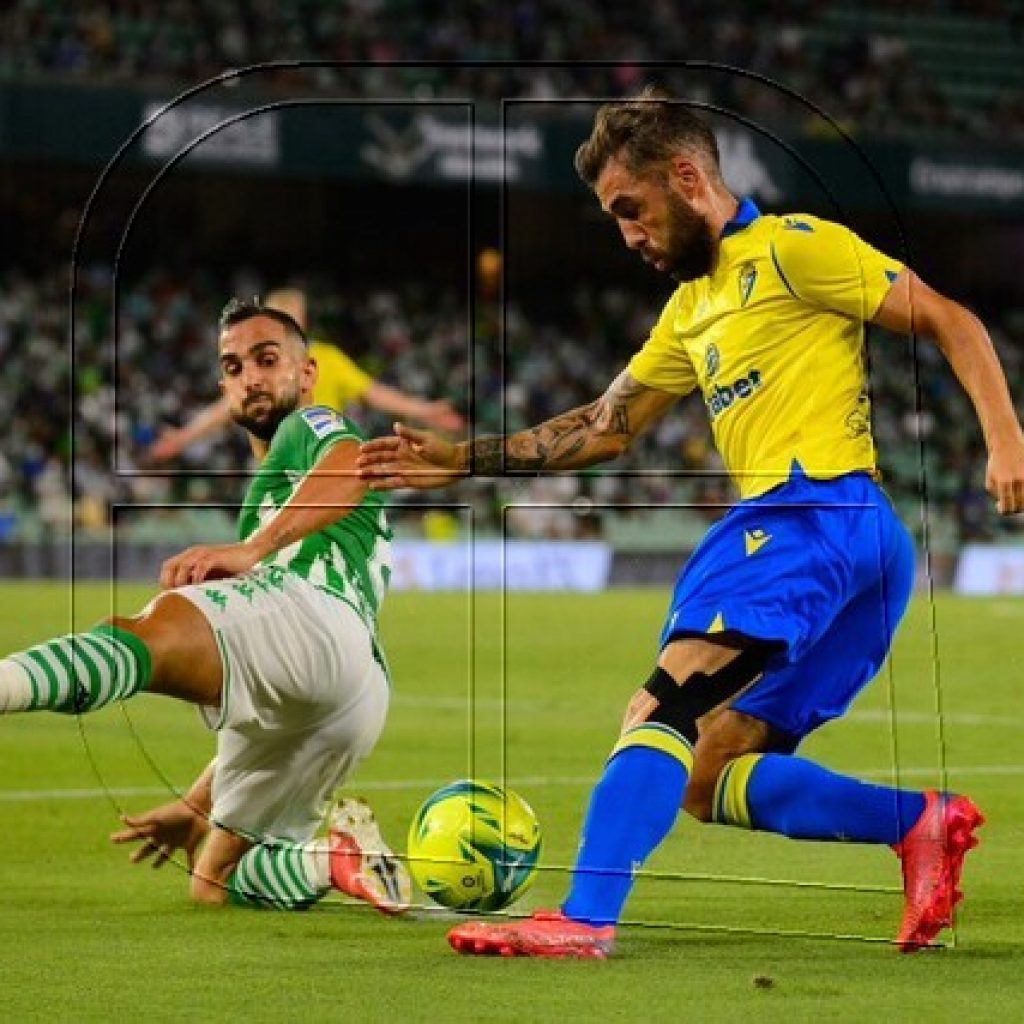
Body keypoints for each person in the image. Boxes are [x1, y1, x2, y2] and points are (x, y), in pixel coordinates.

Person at [358, 88, 1024, 956]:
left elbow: (950, 318)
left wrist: (1006, 439)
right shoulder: (689, 310)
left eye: (630, 209)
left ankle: (585, 917)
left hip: (807, 513)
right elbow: (603, 428)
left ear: (685, 175)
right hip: (860, 545)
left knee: (660, 704)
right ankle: (920, 824)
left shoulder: (793, 248)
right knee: (709, 772)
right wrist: (462, 458)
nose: (627, 234)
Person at [1, 298, 411, 914]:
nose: (250, 376)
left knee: (149, 635)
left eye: (267, 359)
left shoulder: (313, 425)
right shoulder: (273, 481)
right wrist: (196, 805)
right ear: (223, 386)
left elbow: (352, 465)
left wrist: (254, 548)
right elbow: (275, 669)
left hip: (315, 618)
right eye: (233, 366)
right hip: (355, 694)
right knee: (213, 876)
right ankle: (333, 861)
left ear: (306, 373)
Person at [146, 287, 463, 463]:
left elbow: (375, 394)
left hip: (323, 467)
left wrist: (426, 410)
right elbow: (225, 409)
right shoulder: (256, 368)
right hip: (278, 470)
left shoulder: (326, 358)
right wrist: (184, 437)